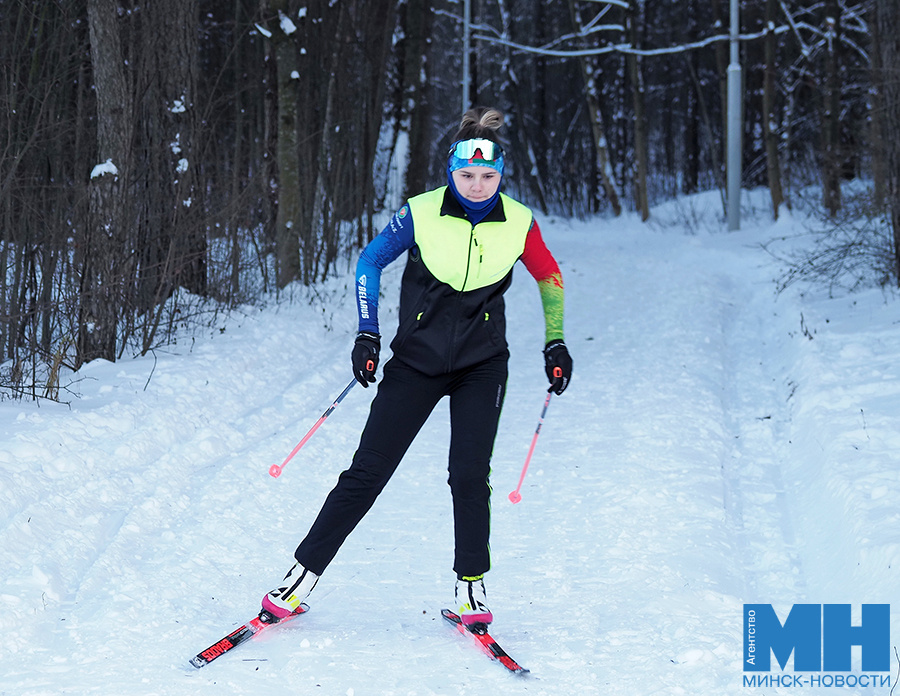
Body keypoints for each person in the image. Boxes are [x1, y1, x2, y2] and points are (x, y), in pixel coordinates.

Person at [262, 106, 572, 626]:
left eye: (489, 176)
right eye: (467, 175)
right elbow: (370, 261)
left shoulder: (518, 221)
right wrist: (367, 333)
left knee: (470, 475)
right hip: (415, 362)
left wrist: (556, 342)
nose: (477, 185)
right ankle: (301, 577)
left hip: (482, 363)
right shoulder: (421, 212)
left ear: (501, 176)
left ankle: (471, 589)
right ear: (451, 172)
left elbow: (549, 277)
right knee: (367, 472)